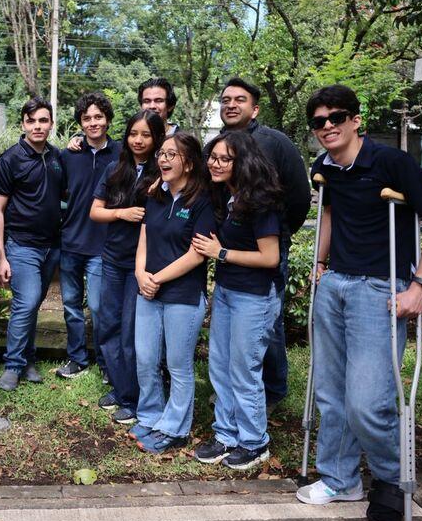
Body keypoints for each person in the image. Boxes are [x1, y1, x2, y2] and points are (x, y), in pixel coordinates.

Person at [296, 85, 422, 521]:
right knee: (330, 391)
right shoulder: (323, 168)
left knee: (368, 402)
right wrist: (321, 263)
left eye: (336, 117)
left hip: (380, 288)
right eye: (319, 121)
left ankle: (390, 476)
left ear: (355, 119)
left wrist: (419, 284)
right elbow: (328, 216)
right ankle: (340, 478)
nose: (327, 126)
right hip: (335, 284)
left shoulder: (390, 162)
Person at [191, 130, 283, 470]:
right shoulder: (226, 197)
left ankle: (255, 442)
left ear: (242, 161)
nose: (215, 163)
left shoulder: (261, 202)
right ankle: (226, 435)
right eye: (213, 157)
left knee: (244, 371)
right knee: (220, 367)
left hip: (254, 298)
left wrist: (221, 253)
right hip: (228, 293)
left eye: (224, 158)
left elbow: (270, 257)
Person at [217, 78, 311, 411]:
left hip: (267, 245)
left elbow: (300, 196)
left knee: (265, 319)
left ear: (254, 108)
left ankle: (272, 389)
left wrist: (279, 232)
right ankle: (239, 386)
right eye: (225, 99)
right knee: (235, 319)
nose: (231, 104)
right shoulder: (217, 145)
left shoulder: (275, 143)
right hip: (228, 247)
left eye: (239, 99)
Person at [132, 132, 214, 453]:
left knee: (178, 365)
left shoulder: (202, 201)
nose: (163, 160)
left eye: (171, 155)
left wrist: (156, 279)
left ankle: (176, 428)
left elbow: (198, 253)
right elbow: (145, 238)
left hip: (183, 295)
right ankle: (151, 415)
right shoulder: (156, 196)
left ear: (189, 164)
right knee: (146, 359)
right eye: (161, 154)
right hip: (148, 290)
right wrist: (141, 273)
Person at [89, 109, 166, 425]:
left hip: (142, 265)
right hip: (112, 259)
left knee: (133, 333)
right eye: (134, 133)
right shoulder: (114, 169)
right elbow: (95, 212)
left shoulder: (162, 172)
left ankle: (135, 398)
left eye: (145, 135)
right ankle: (121, 390)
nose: (138, 140)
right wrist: (121, 213)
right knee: (108, 324)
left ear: (156, 138)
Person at [0, 97, 64, 391]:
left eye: (43, 120)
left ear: (50, 124)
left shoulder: (57, 157)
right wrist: (1, 256)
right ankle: (12, 365)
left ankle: (28, 359)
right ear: (22, 124)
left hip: (52, 245)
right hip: (22, 245)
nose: (37, 126)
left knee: (33, 305)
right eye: (31, 121)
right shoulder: (10, 160)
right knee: (27, 302)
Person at [55, 92, 121, 380]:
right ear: (80, 123)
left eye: (98, 117)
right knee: (71, 304)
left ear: (107, 119)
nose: (93, 122)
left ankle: (107, 364)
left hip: (103, 244)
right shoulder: (69, 154)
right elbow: (59, 192)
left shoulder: (121, 154)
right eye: (87, 118)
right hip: (71, 241)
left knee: (98, 306)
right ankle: (77, 359)